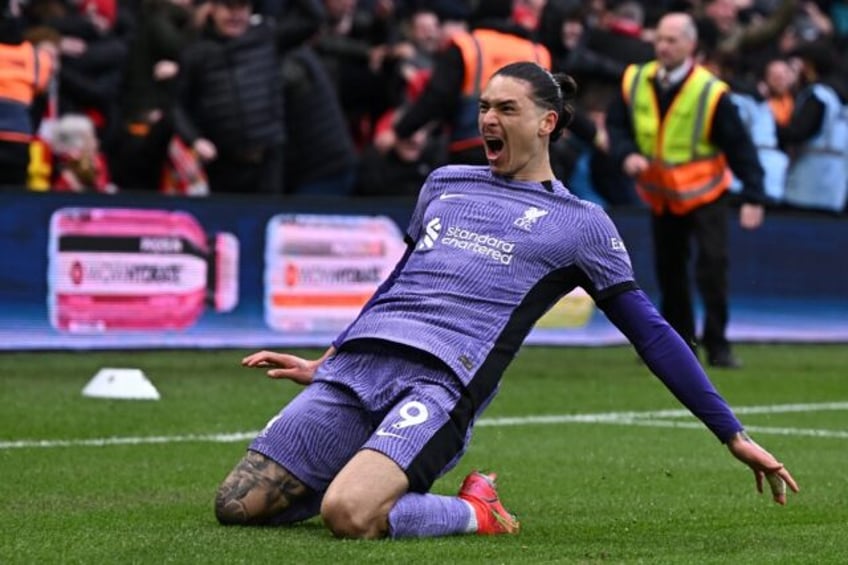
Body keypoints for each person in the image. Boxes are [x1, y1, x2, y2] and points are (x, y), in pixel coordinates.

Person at [214, 61, 798, 540]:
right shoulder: (444, 182)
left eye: (506, 109)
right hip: (358, 366)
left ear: (547, 122)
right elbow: (399, 281)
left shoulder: (580, 225)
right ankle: (367, 472)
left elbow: (651, 331)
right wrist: (329, 358)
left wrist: (731, 431)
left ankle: (476, 511)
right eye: (485, 107)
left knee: (349, 516)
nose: (489, 119)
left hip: (439, 386)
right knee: (237, 505)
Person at [606, 12, 767, 369]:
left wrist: (754, 194)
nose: (663, 46)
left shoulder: (710, 92)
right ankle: (679, 345)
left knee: (712, 267)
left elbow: (740, 147)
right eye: (660, 39)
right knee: (669, 271)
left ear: (691, 46)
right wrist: (626, 153)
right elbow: (617, 126)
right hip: (662, 195)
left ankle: (718, 344)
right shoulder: (636, 79)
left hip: (705, 193)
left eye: (672, 40)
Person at [374, 0, 551, 165]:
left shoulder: (467, 46)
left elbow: (436, 98)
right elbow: (556, 105)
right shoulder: (538, 53)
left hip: (473, 152)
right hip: (526, 157)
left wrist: (398, 132)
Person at [0, 0, 56, 189]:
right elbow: (40, 101)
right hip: (19, 138)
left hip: (16, 137)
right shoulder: (36, 58)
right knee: (13, 198)